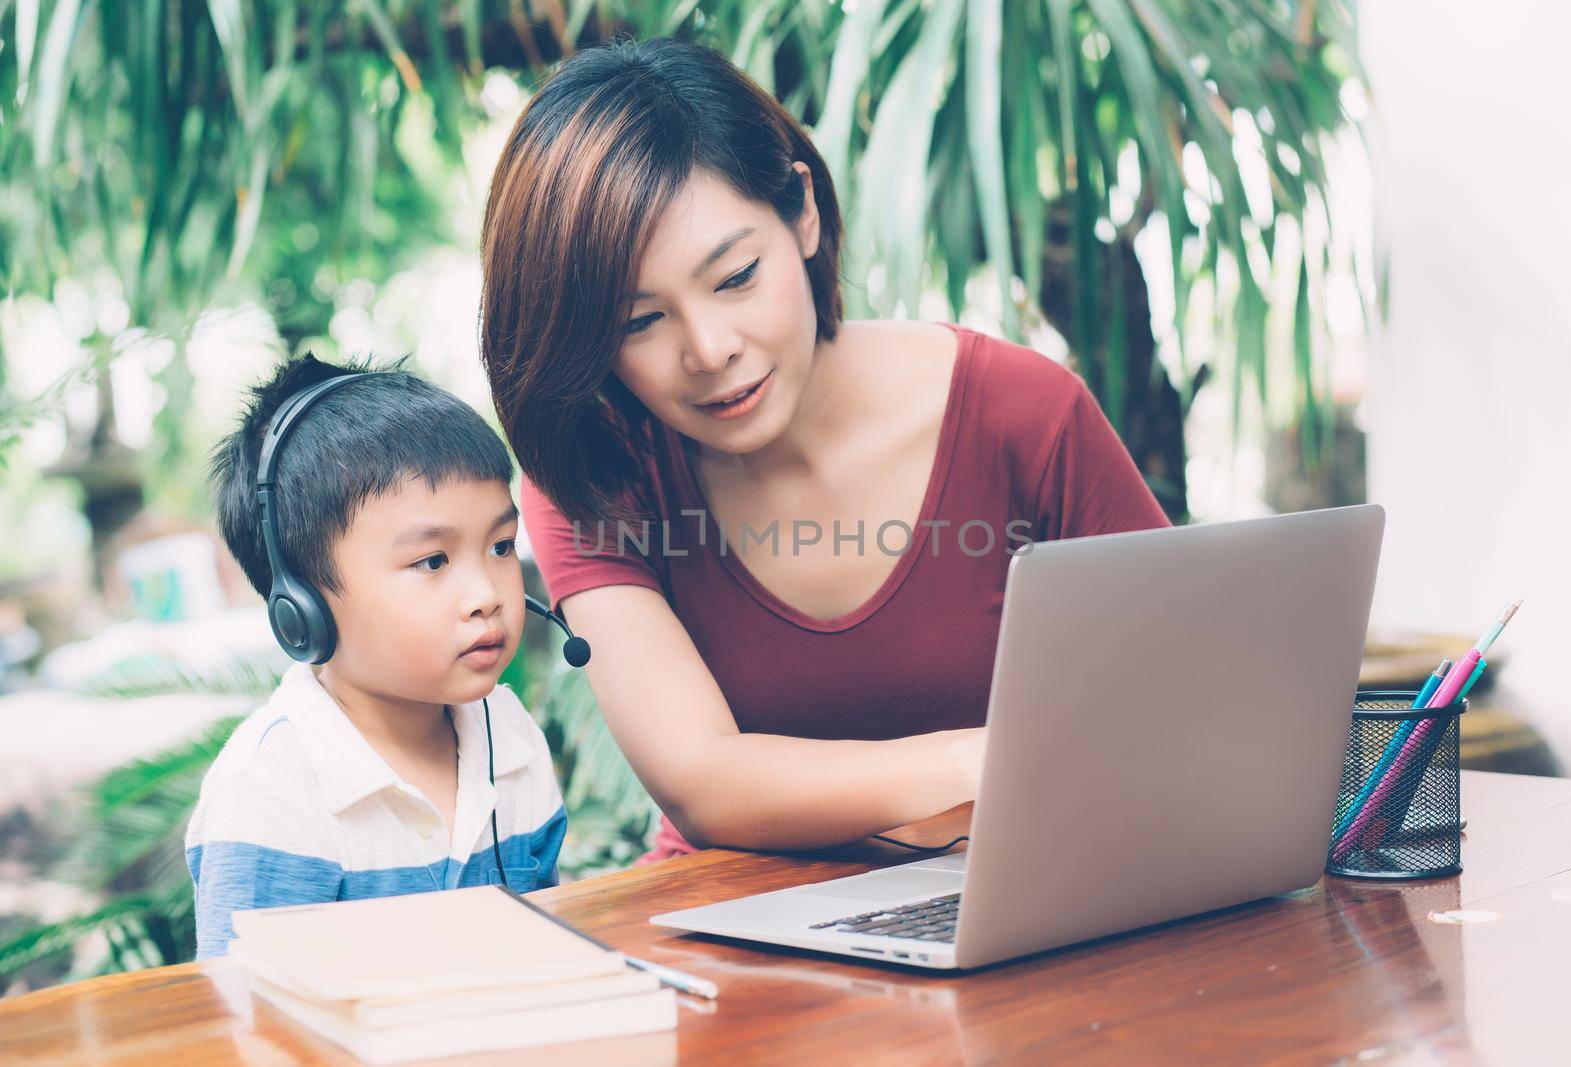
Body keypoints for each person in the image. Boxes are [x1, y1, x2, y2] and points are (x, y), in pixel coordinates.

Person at [479, 38, 1170, 860]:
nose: (709, 349)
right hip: (734, 935)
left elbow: (1178, 697)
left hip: (1015, 903)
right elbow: (703, 781)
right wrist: (978, 760)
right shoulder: (593, 470)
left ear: (801, 211)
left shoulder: (1023, 415)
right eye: (638, 321)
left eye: (735, 276)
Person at [186, 355, 566, 960]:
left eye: (500, 546)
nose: (487, 595)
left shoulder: (511, 737)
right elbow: (249, 1023)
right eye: (433, 562)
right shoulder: (271, 790)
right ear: (301, 606)